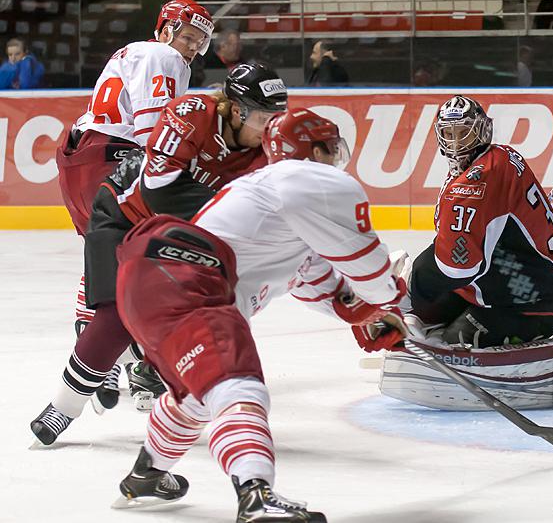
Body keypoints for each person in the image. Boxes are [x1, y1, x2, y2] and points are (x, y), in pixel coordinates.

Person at [110, 108, 405, 521]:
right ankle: (256, 494)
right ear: (312, 151)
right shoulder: (311, 180)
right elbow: (371, 272)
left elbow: (322, 285)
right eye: (329, 149)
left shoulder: (272, 200)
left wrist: (362, 316)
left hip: (149, 279)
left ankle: (147, 473)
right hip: (187, 275)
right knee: (238, 385)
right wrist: (390, 299)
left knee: (197, 394)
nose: (335, 159)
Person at [30, 63, 288, 446]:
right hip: (121, 211)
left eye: (278, 117)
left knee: (184, 313)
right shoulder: (191, 114)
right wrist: (236, 211)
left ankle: (140, 355)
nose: (272, 128)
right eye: (265, 117)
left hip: (175, 232)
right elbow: (159, 187)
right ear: (237, 110)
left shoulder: (268, 154)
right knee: (114, 315)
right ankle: (64, 406)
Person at [378, 95, 553, 411]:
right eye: (449, 133)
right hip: (499, 282)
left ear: (482, 130)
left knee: (449, 342)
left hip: (531, 301)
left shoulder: (476, 180)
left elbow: (458, 268)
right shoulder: (497, 159)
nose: (457, 140)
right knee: (423, 314)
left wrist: (409, 292)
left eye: (465, 131)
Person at [53, 0, 214, 409]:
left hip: (81, 160)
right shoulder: (164, 55)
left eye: (200, 41)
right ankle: (139, 366)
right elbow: (153, 129)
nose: (193, 47)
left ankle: (103, 351)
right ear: (165, 29)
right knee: (152, 262)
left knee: (110, 258)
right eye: (189, 36)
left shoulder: (134, 52)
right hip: (114, 158)